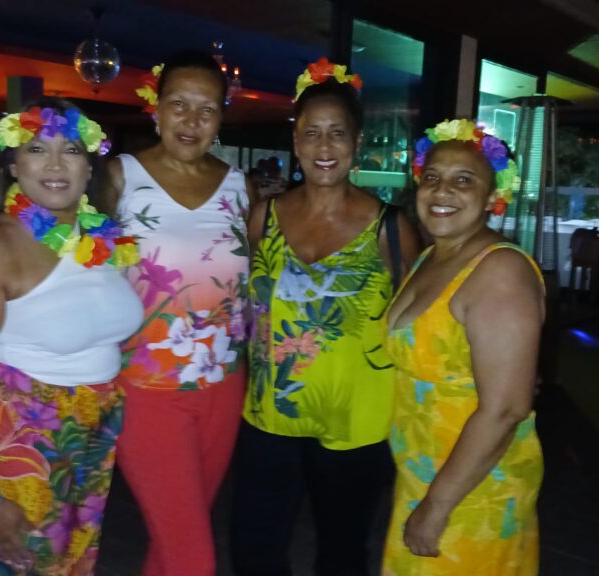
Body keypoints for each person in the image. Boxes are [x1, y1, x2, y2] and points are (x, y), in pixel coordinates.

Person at [0, 98, 143, 575]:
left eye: (70, 149)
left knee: (72, 566)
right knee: (22, 565)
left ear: (89, 167)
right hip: (20, 439)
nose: (54, 164)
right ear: (12, 165)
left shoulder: (104, 240)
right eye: (35, 148)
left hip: (92, 432)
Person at [231, 58, 420, 576]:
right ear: (295, 144)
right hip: (270, 414)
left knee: (342, 552)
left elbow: (422, 318)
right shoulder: (262, 217)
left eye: (337, 133)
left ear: (357, 144)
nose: (324, 146)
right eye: (311, 133)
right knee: (254, 547)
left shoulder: (392, 229)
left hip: (357, 421)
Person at [100, 51, 251, 576]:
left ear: (221, 117)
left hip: (224, 386)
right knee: (194, 557)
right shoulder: (119, 177)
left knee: (173, 543)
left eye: (206, 109)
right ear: (156, 110)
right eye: (179, 105)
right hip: (147, 392)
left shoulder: (241, 187)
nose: (191, 120)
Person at [382, 119, 544, 575]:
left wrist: (437, 506)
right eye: (431, 177)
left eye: (464, 180)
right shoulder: (431, 257)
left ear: (493, 197)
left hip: (472, 489)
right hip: (422, 472)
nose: (442, 190)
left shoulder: (500, 272)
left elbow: (506, 408)